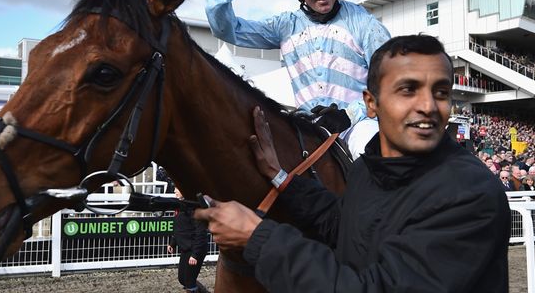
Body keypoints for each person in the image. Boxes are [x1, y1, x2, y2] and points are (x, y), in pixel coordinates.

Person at [195, 34, 510, 292]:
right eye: (408, 90)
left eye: (440, 92)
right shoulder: (369, 167)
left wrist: (257, 237)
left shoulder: (469, 193)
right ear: (371, 103)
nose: (428, 106)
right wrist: (281, 176)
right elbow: (343, 225)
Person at [204, 0, 391, 158]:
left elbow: (391, 83)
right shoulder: (284, 26)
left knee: (372, 152)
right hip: (306, 130)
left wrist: (349, 115)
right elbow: (228, 30)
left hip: (357, 126)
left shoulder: (367, 25)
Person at [167, 188, 210, 293]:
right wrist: (172, 243)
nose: (174, 191)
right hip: (186, 248)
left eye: (177, 189)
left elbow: (201, 233)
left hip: (195, 249)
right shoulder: (181, 206)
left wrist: (195, 254)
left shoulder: (194, 208)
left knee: (189, 281)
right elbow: (179, 228)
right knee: (182, 279)